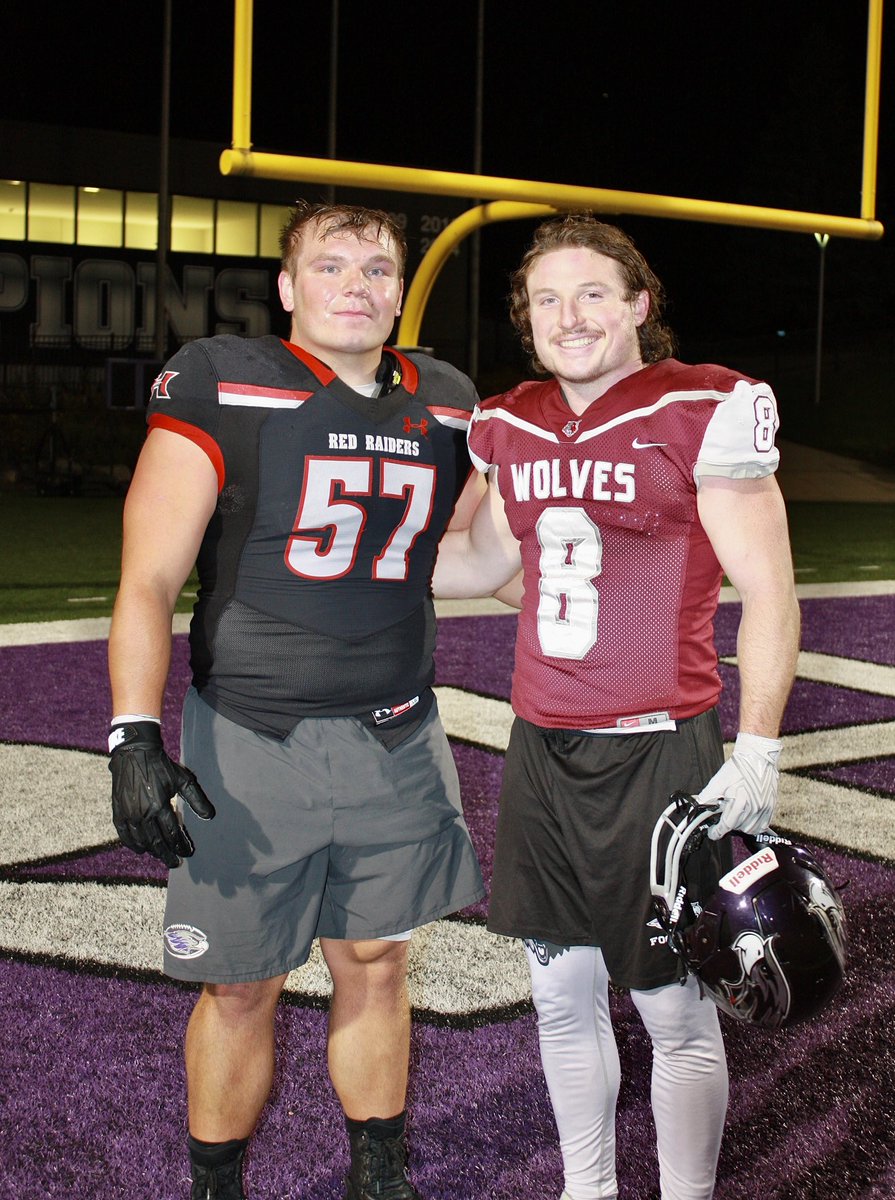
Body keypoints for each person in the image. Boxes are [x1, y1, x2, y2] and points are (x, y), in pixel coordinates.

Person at [107, 201, 485, 1200]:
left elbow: (464, 559)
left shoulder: (446, 399)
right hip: (251, 732)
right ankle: (217, 1187)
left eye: (375, 269)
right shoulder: (226, 380)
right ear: (286, 287)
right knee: (240, 986)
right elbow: (146, 577)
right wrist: (132, 731)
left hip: (397, 730)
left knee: (376, 960)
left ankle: (378, 1179)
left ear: (401, 289)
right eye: (330, 266)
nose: (354, 286)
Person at [432, 214, 801, 1200]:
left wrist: (758, 747)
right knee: (559, 992)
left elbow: (767, 589)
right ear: (526, 322)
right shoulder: (506, 421)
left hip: (656, 752)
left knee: (672, 1010)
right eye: (547, 299)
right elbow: (478, 562)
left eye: (593, 291)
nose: (570, 315)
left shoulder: (702, 406)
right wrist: (358, 557)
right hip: (543, 750)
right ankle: (584, 1191)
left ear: (641, 304)